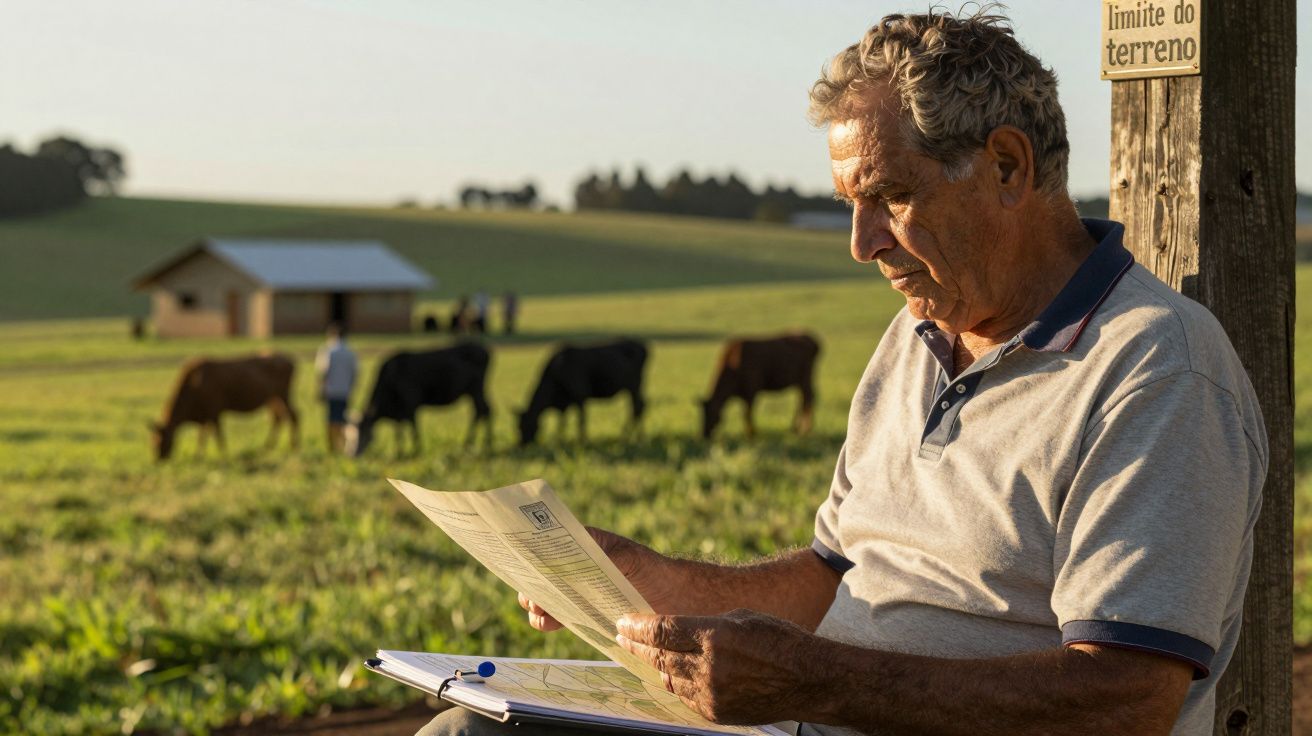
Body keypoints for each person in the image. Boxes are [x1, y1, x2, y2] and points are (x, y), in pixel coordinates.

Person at [418, 9, 1267, 736]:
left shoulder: (1157, 371)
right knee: (470, 725)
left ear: (1008, 167)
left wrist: (814, 682)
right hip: (808, 718)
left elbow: (1124, 700)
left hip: (820, 715)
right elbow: (835, 577)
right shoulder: (918, 333)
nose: (861, 245)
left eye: (889, 197)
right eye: (848, 207)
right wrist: (652, 583)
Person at [315, 321, 357, 454]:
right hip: (345, 391)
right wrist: (351, 387)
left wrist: (320, 389)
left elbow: (323, 372)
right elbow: (355, 373)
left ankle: (332, 447)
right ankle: (345, 446)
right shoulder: (350, 352)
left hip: (331, 390)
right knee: (344, 420)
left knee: (331, 420)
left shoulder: (328, 351)